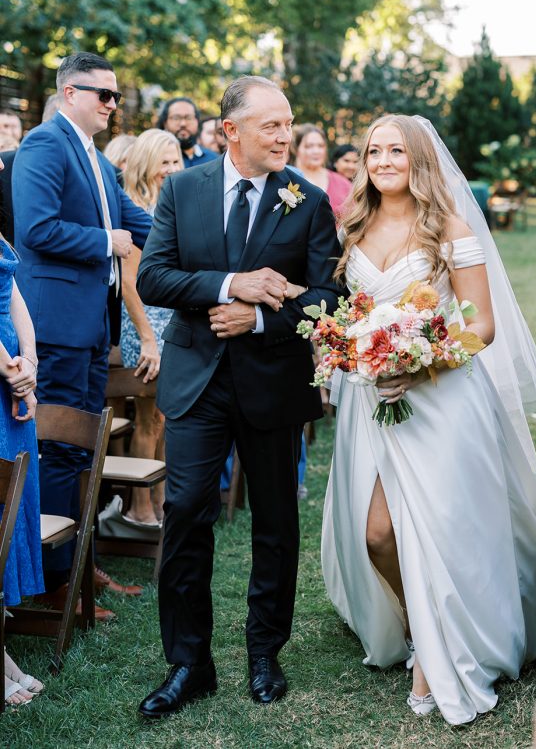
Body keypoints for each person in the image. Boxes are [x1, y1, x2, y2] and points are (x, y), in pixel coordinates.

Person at [322, 113, 536, 725]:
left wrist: (419, 363)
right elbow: (357, 309)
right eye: (374, 151)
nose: (384, 160)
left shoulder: (447, 226)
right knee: (377, 534)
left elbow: (482, 326)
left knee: (445, 532)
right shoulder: (356, 222)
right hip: (372, 400)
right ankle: (416, 624)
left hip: (444, 400)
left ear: (419, 159)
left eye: (397, 150)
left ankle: (440, 644)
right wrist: (350, 344)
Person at [136, 75, 343, 719]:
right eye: (270, 126)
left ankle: (264, 651)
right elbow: (153, 276)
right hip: (198, 381)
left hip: (273, 384)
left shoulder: (307, 201)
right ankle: (189, 662)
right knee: (188, 511)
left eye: (288, 124)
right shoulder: (183, 187)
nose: (285, 136)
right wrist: (232, 285)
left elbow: (327, 298)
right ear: (231, 132)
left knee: (276, 523)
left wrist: (258, 319)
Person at [12, 51, 152, 612]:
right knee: (60, 450)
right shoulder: (46, 144)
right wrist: (105, 243)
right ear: (71, 93)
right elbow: (37, 228)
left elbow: (138, 220)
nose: (113, 106)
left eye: (116, 96)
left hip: (93, 327)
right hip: (56, 326)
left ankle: (82, 566)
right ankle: (53, 581)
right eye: (104, 95)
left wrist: (196, 232)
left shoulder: (95, 158)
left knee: (86, 447)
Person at [119, 129, 183, 526]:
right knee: (149, 419)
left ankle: (161, 502)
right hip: (143, 325)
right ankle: (139, 507)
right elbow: (129, 282)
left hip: (173, 321)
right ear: (146, 164)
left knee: (167, 418)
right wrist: (148, 340)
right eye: (165, 162)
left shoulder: (172, 205)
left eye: (176, 161)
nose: (173, 169)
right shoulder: (133, 208)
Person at [0, 155, 44, 707]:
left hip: (11, 380)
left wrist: (29, 358)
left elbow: (14, 297)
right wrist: (12, 370)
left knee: (9, 510)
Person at [293, 124, 352, 219]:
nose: (316, 151)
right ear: (297, 149)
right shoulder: (286, 180)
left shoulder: (343, 183)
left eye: (320, 146)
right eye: (309, 146)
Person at [156, 96, 218, 168]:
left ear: (197, 122)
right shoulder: (156, 158)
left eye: (189, 118)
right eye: (176, 118)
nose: (183, 124)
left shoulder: (214, 160)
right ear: (165, 123)